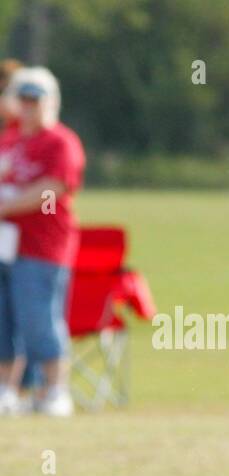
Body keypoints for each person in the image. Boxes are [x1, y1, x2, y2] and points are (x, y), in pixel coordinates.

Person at [0, 66, 84, 417]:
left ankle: (55, 390)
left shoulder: (60, 142)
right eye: (24, 99)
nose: (30, 107)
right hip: (6, 245)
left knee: (39, 319)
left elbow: (51, 189)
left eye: (36, 99)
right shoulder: (11, 139)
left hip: (43, 247)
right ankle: (8, 389)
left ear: (51, 102)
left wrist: (7, 203)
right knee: (4, 320)